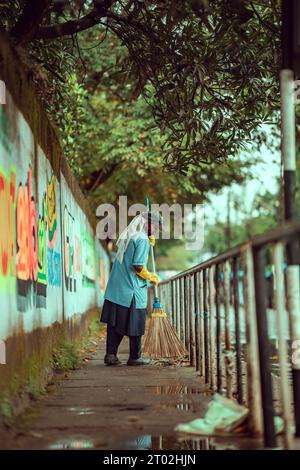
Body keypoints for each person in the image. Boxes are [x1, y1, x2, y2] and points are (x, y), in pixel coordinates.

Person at [100, 211, 162, 366]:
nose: (156, 231)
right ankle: (135, 357)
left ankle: (111, 355)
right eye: (156, 227)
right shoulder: (142, 240)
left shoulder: (131, 235)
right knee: (136, 322)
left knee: (115, 324)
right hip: (131, 290)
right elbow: (138, 266)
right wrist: (150, 276)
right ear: (148, 224)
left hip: (117, 288)